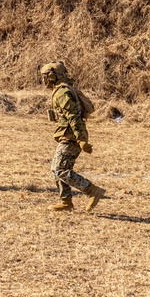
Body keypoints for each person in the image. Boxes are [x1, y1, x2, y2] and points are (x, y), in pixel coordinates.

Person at [39, 61, 104, 211]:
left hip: (71, 136)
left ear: (51, 77)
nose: (43, 81)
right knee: (58, 169)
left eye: (44, 77)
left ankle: (92, 190)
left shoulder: (62, 92)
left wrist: (81, 140)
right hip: (68, 135)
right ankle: (66, 201)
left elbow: (74, 117)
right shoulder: (62, 90)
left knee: (60, 169)